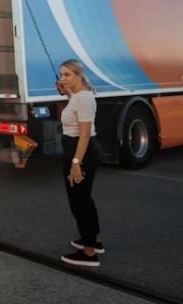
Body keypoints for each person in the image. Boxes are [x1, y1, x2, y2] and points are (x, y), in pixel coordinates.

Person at [57, 59, 104, 267]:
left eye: (67, 75)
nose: (63, 78)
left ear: (79, 75)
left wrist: (76, 162)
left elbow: (84, 134)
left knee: (79, 203)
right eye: (61, 74)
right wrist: (65, 91)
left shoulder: (84, 98)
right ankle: (94, 240)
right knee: (85, 198)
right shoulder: (76, 95)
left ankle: (89, 253)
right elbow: (74, 111)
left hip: (80, 151)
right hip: (75, 150)